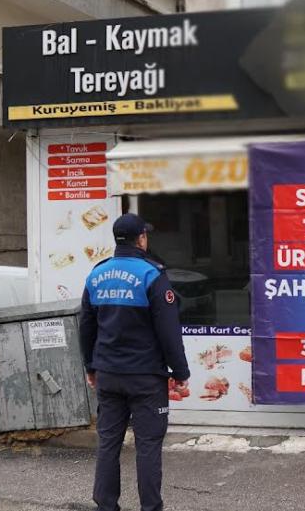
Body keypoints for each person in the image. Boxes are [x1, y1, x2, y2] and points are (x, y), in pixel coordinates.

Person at [79, 213, 191, 511]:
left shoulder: (96, 274)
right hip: (145, 378)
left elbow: (86, 327)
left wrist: (90, 366)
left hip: (108, 374)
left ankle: (106, 505)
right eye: (145, 234)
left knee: (108, 443)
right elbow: (168, 331)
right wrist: (180, 372)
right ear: (141, 239)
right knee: (148, 445)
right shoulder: (151, 275)